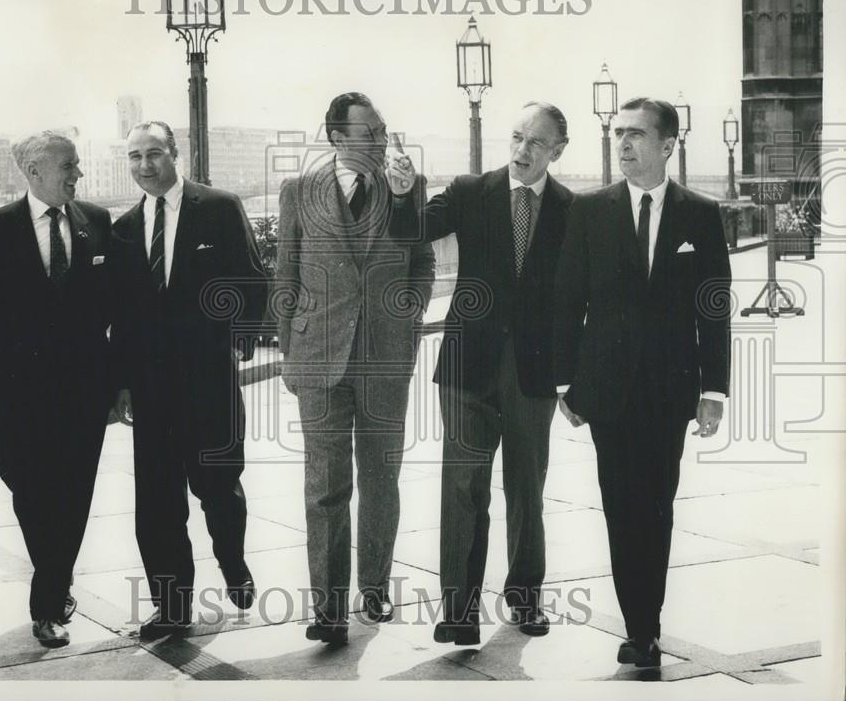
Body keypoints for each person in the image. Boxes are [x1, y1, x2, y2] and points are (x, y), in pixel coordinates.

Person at [553, 97, 731, 667]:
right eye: (619, 134)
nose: (623, 144)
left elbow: (716, 309)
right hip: (606, 390)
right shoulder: (590, 211)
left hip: (669, 390)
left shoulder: (700, 214)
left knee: (656, 507)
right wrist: (566, 385)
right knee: (618, 506)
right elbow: (568, 302)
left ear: (667, 146)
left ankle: (646, 627)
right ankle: (638, 624)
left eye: (636, 135)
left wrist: (714, 390)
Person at [388, 102, 574, 645]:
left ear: (558, 151)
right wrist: (403, 194)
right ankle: (459, 611)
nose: (521, 150)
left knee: (526, 488)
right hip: (468, 365)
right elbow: (412, 233)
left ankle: (524, 599)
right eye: (517, 137)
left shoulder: (571, 208)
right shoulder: (471, 190)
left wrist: (576, 373)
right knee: (463, 487)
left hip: (533, 371)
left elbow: (581, 296)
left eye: (536, 143)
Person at [276, 92, 435, 645]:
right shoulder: (299, 191)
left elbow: (423, 259)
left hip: (385, 359)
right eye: (369, 133)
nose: (382, 141)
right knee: (324, 486)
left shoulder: (405, 188)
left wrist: (410, 316)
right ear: (337, 137)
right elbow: (285, 274)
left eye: (384, 129)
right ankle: (327, 609)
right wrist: (290, 353)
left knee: (380, 478)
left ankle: (375, 587)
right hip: (318, 358)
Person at [109, 120, 268, 639]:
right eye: (134, 157)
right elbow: (123, 318)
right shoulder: (125, 229)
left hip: (209, 380)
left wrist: (241, 335)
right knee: (157, 501)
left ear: (175, 154)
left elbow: (250, 277)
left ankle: (233, 562)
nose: (144, 166)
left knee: (219, 487)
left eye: (153, 154)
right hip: (152, 391)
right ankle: (172, 606)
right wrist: (123, 383)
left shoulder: (218, 207)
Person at [0, 130, 113, 648]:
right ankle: (56, 577)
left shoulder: (97, 222)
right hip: (22, 389)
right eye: (68, 165)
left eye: (77, 164)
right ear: (34, 172)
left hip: (86, 391)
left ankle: (49, 600)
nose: (78, 174)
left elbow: (115, 304)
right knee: (26, 486)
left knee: (73, 493)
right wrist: (23, 349)